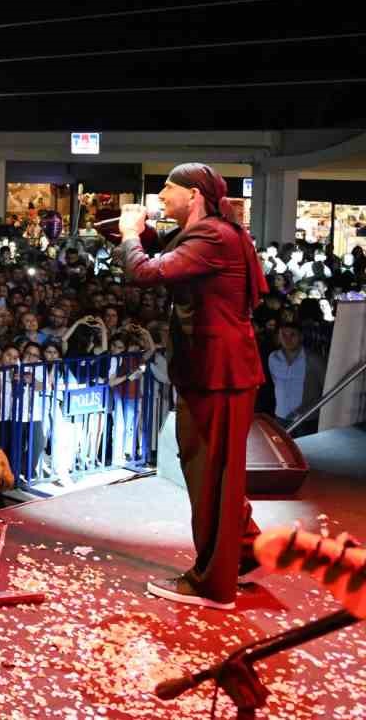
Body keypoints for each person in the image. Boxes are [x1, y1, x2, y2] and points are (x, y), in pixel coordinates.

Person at [117, 163, 267, 610]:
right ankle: (240, 552)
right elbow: (162, 253)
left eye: (168, 187)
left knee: (211, 476)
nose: (161, 194)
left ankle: (212, 584)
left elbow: (146, 273)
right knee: (217, 472)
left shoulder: (212, 237)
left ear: (195, 194)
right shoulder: (213, 233)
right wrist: (136, 234)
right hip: (219, 370)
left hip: (216, 373)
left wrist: (129, 236)